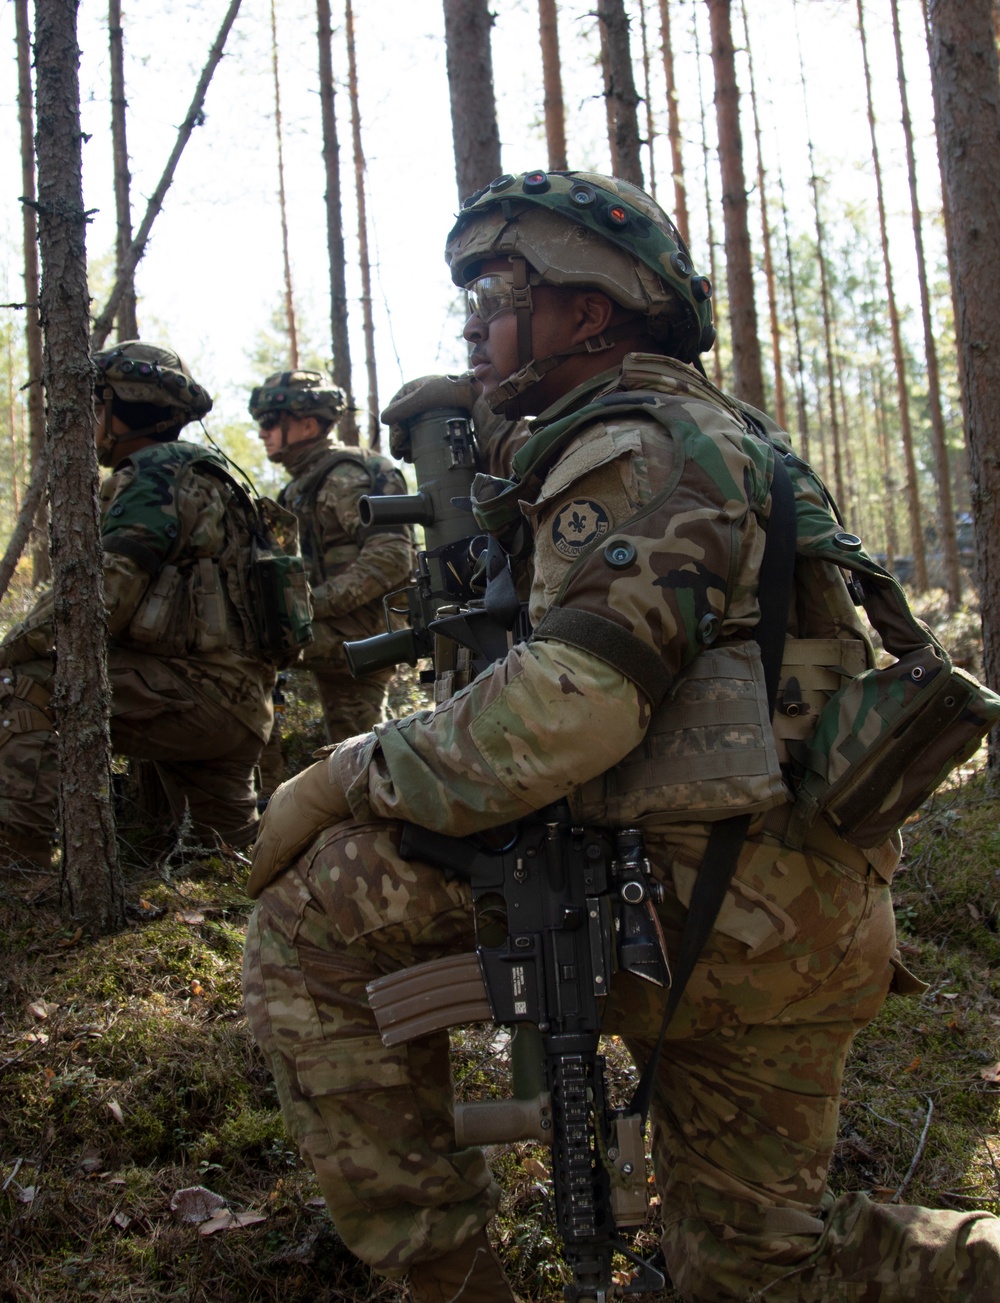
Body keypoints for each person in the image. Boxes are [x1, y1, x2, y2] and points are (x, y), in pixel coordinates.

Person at [241, 172, 1000, 1302]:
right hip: (796, 911)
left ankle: (448, 1283)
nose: (474, 318)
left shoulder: (635, 444)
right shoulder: (716, 432)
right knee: (754, 1265)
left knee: (313, 912)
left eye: (498, 287)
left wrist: (352, 769)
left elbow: (576, 700)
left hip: (698, 903)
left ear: (585, 312)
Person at [0, 341, 277, 866]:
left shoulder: (151, 477)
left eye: (93, 405)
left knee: (29, 680)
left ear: (116, 406)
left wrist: (9, 648)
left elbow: (98, 601)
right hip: (237, 709)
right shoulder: (214, 475)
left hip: (190, 698)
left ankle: (17, 873)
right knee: (229, 868)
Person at [249, 371, 415, 755]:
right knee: (355, 750)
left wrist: (305, 606)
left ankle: (262, 800)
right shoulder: (299, 487)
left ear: (308, 424)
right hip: (341, 630)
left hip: (365, 634)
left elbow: (390, 559)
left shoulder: (343, 477)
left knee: (251, 652)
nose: (262, 433)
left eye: (271, 422)